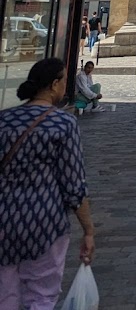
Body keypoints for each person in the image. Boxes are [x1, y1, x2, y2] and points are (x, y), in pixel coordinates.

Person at [0, 57, 95, 309]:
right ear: (54, 85)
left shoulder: (4, 120)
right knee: (42, 294)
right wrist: (88, 230)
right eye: (64, 80)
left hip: (3, 218)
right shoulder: (63, 123)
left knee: (4, 293)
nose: (66, 85)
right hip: (45, 221)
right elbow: (74, 186)